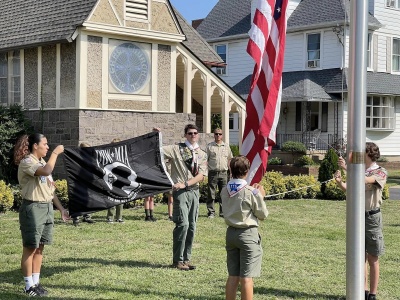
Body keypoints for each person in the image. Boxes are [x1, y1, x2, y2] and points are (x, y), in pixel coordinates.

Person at [14, 133, 69, 297]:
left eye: (48, 145)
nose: (47, 147)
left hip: (46, 208)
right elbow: (46, 172)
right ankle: (28, 286)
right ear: (35, 146)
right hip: (33, 208)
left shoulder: (42, 162)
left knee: (40, 247)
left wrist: (60, 209)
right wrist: (56, 153)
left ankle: (36, 283)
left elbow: (50, 190)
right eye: (44, 144)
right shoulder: (27, 162)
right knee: (30, 248)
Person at [334, 142, 387, 300]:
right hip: (357, 217)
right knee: (360, 256)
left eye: (361, 153)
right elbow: (351, 190)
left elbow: (363, 180)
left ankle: (372, 294)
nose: (358, 156)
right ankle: (362, 290)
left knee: (373, 258)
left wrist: (346, 168)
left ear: (369, 154)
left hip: (372, 218)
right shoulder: (359, 171)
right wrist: (339, 183)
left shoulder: (380, 172)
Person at [154, 124, 207, 271]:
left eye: (195, 133)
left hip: (194, 191)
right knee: (182, 225)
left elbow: (201, 176)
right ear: (185, 135)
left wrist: (186, 183)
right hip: (181, 193)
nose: (193, 135)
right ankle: (178, 260)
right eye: (190, 133)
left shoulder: (202, 154)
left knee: (192, 226)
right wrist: (156, 136)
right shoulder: (177, 149)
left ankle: (186, 259)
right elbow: (158, 151)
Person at [221, 155, 268, 300]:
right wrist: (261, 196)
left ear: (231, 170)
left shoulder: (225, 189)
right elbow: (262, 214)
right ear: (247, 171)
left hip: (231, 233)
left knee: (233, 276)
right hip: (247, 234)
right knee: (247, 278)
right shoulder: (251, 192)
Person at [206, 128, 233, 218]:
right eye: (216, 134)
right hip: (213, 173)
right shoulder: (210, 146)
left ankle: (222, 212)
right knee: (211, 193)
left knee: (224, 194)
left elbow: (229, 159)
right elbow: (205, 160)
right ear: (214, 135)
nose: (218, 136)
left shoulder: (226, 146)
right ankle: (211, 212)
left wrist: (231, 171)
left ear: (222, 135)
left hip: (223, 173)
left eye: (220, 134)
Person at [72, 142, 95, 226]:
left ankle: (87, 216)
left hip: (87, 181)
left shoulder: (90, 159)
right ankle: (76, 218)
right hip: (78, 181)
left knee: (88, 200)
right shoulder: (76, 158)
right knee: (78, 200)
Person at [106, 138, 124, 223]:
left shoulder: (122, 155)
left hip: (120, 179)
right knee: (112, 198)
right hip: (111, 179)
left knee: (121, 198)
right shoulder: (109, 155)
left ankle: (119, 217)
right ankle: (110, 217)